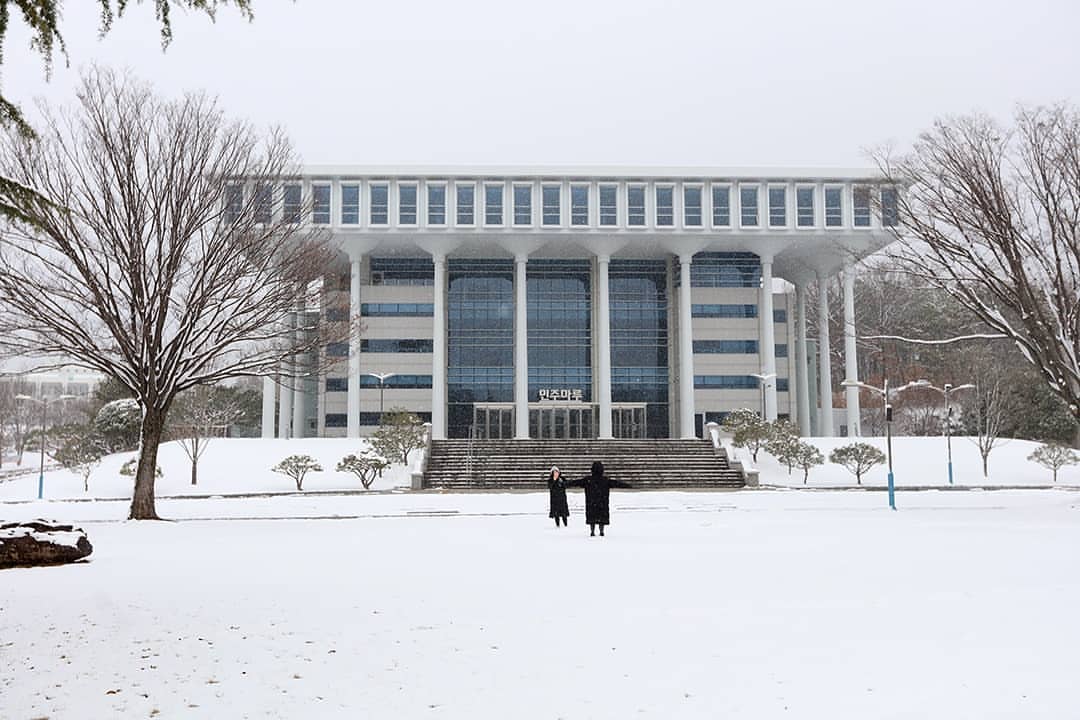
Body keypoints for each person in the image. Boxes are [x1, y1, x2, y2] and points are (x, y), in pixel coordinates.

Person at [564, 460, 633, 537]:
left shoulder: (588, 480)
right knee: (602, 517)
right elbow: (617, 483)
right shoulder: (605, 480)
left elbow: (576, 482)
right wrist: (628, 485)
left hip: (591, 502)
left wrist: (566, 484)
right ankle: (601, 531)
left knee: (592, 517)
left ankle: (592, 531)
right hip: (602, 502)